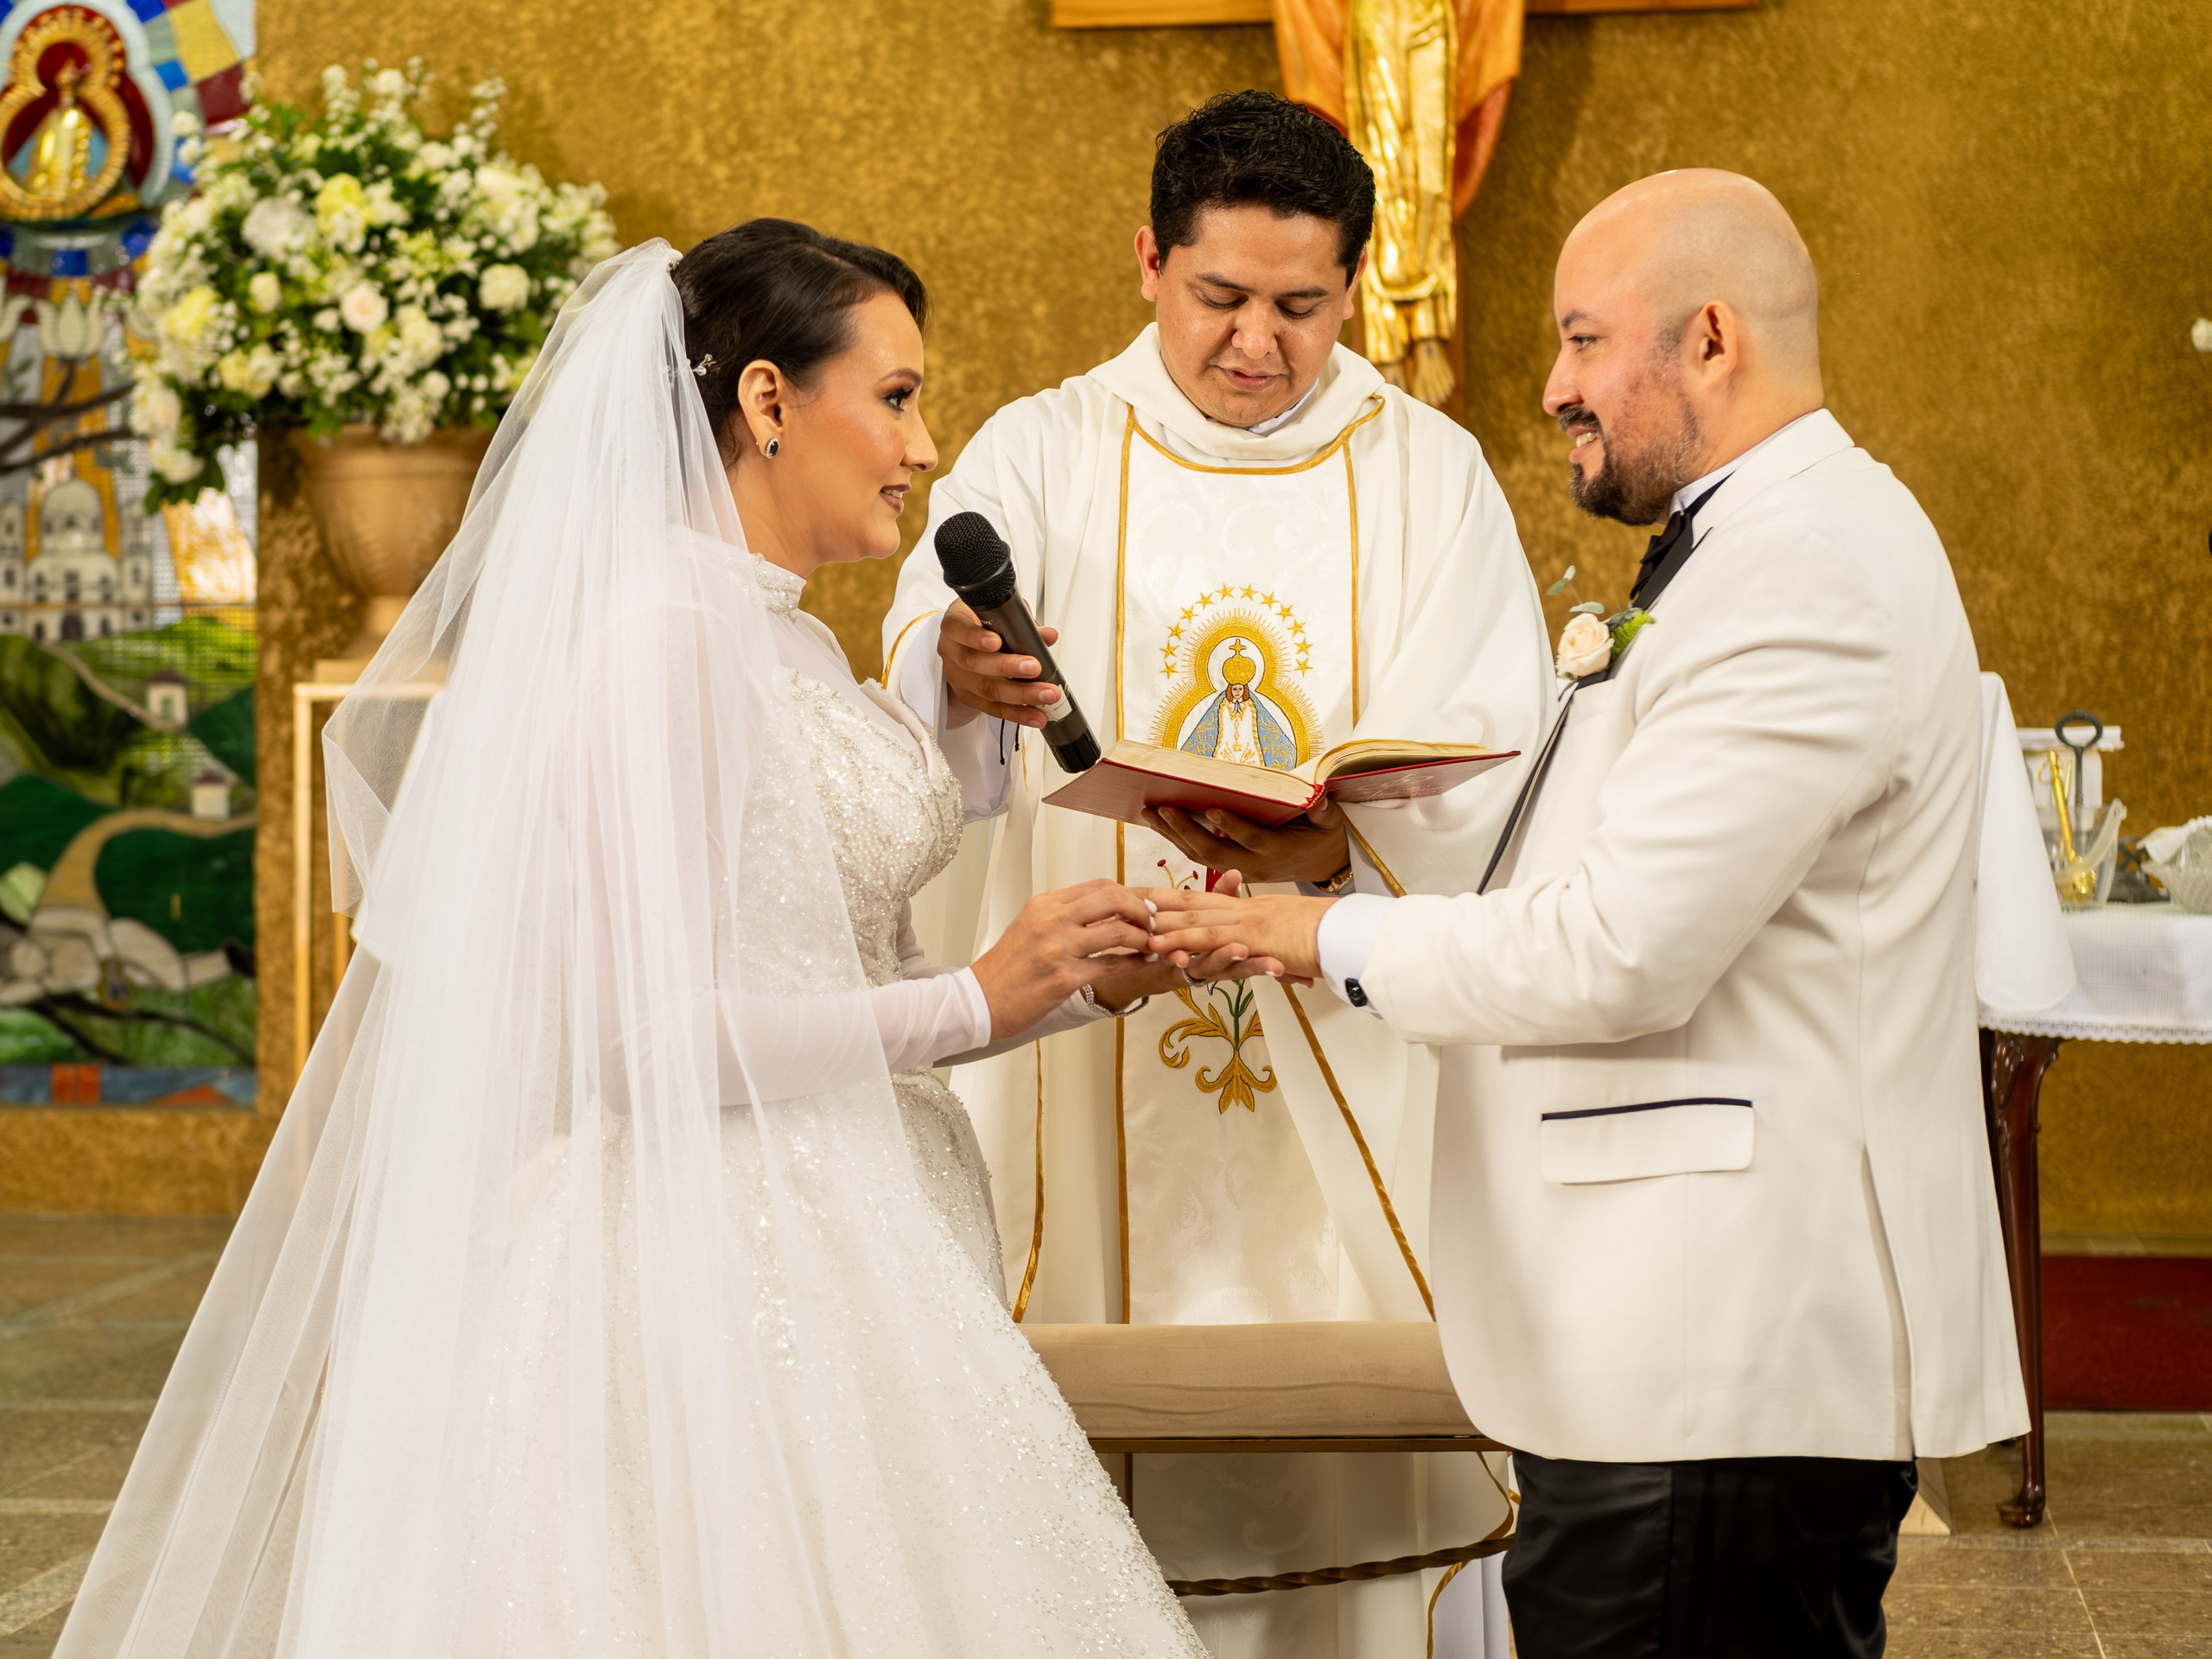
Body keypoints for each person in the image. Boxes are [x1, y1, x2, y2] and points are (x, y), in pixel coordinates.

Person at [54, 223, 1270, 1657]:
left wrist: (1066, 978)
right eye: (893, 396)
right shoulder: (662, 637)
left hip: (845, 1215)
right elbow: (642, 1043)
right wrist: (977, 1001)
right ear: (766, 402)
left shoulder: (781, 639)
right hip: (712, 1268)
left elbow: (821, 942)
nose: (923, 444)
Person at [1146, 170, 2028, 1656]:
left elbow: (1624, 951)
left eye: (1579, 340)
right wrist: (1330, 871)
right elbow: (1606, 866)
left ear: (1712, 341)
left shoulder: (1805, 574)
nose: (1552, 386)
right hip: (1671, 1353)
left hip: (1717, 1352)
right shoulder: (1746, 551)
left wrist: (1314, 942)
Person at [881, 91, 1546, 1654]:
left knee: (1354, 1382)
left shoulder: (1430, 472)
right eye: (1221, 299)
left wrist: (1341, 842)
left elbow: (1504, 755)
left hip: (1348, 1003)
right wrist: (959, 671)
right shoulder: (1040, 447)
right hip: (1089, 1008)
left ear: (1353, 290)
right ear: (1148, 263)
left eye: (1304, 307)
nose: (1261, 344)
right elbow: (918, 660)